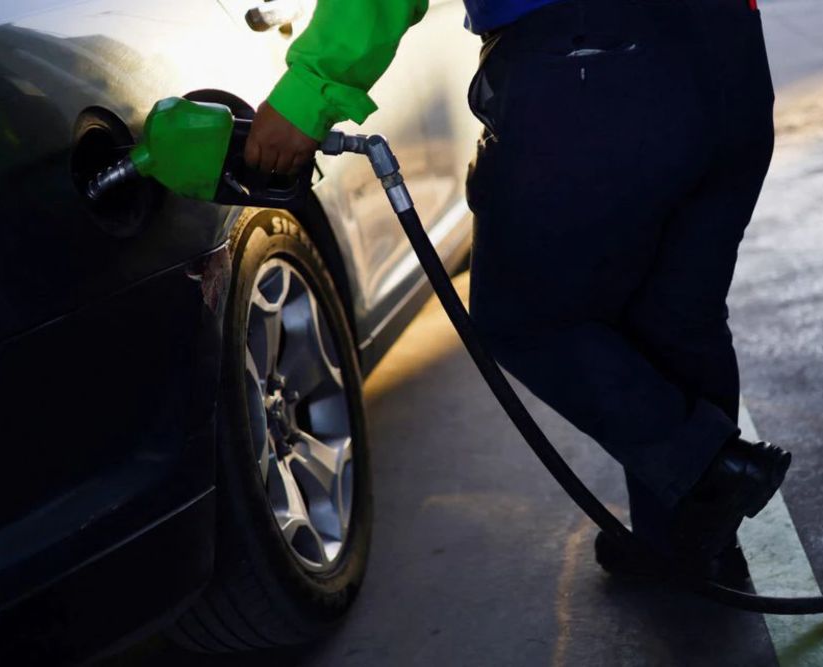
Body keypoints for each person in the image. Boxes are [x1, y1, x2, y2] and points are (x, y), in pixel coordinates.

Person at [245, 0, 791, 585]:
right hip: (728, 50)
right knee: (678, 316)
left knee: (525, 318)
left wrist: (310, 90)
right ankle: (688, 549)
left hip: (594, 57)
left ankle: (707, 474)